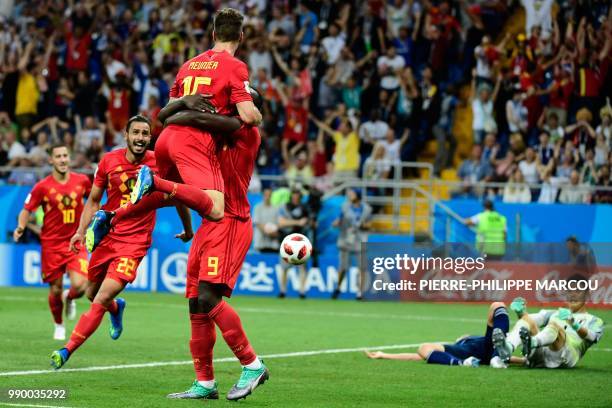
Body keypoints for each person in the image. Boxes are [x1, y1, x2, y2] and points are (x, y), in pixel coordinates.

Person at [101, 89, 268, 400]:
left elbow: (180, 117)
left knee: (207, 296)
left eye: (239, 101)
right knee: (195, 304)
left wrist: (181, 105)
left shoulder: (245, 131)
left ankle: (252, 364)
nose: (230, 103)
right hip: (209, 223)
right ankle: (205, 383)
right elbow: (171, 192)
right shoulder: (209, 139)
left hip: (231, 221)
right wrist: (116, 215)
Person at [50, 116, 193, 369]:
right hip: (106, 237)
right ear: (125, 135)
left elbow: (178, 196)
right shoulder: (108, 161)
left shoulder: (159, 164)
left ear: (150, 138)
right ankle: (116, 309)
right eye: (135, 132)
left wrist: (188, 229)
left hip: (134, 244)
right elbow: (94, 199)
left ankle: (66, 349)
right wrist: (80, 231)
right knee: (92, 293)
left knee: (100, 297)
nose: (140, 138)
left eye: (145, 134)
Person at [141, 7, 262, 227]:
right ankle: (153, 181)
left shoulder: (188, 65)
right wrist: (258, 114)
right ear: (241, 37)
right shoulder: (235, 66)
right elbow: (248, 116)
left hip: (165, 140)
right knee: (216, 209)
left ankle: (114, 215)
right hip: (193, 142)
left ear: (213, 34)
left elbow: (168, 112)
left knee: (172, 196)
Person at [13, 143, 90, 340]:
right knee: (55, 289)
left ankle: (70, 297)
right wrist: (21, 227)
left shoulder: (82, 181)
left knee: (81, 285)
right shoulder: (42, 187)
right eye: (58, 156)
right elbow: (26, 209)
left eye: (65, 155)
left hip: (75, 241)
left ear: (69, 158)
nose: (63, 159)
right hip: (52, 244)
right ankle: (59, 324)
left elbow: (94, 200)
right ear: (51, 160)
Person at [492, 280, 604, 369]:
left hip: (565, 356)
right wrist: (521, 312)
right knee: (526, 319)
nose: (573, 295)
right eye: (570, 291)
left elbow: (593, 337)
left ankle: (532, 343)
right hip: (541, 352)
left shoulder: (594, 320)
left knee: (554, 326)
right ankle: (508, 347)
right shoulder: (555, 313)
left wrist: (573, 323)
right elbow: (531, 320)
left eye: (578, 291)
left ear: (586, 295)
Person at [366, 302, 511, 367]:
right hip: (471, 354)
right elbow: (415, 356)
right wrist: (385, 355)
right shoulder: (455, 348)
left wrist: (524, 361)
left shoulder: (462, 343)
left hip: (490, 346)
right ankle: (466, 363)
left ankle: (497, 355)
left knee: (497, 305)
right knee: (423, 349)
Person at [331, 189, 372, 300]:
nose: (350, 196)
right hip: (346, 239)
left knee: (362, 268)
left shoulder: (367, 209)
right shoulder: (345, 207)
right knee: (343, 267)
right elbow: (338, 220)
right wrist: (337, 223)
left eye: (352, 194)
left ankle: (360, 292)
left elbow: (369, 224)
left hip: (360, 239)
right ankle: (338, 288)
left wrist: (363, 225)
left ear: (358, 195)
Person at [278, 188, 310, 299]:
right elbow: (281, 223)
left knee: (302, 267)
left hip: (301, 241)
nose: (295, 198)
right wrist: (297, 222)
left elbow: (308, 222)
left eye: (297, 196)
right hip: (287, 240)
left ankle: (302, 291)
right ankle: (282, 290)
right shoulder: (285, 207)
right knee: (285, 267)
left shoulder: (304, 208)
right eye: (294, 196)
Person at [253, 187, 280, 252]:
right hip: (260, 242)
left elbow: (278, 223)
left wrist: (274, 232)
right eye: (266, 195)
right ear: (263, 195)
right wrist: (268, 231)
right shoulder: (257, 208)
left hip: (273, 243)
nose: (267, 197)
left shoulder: (276, 208)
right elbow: (257, 223)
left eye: (269, 195)